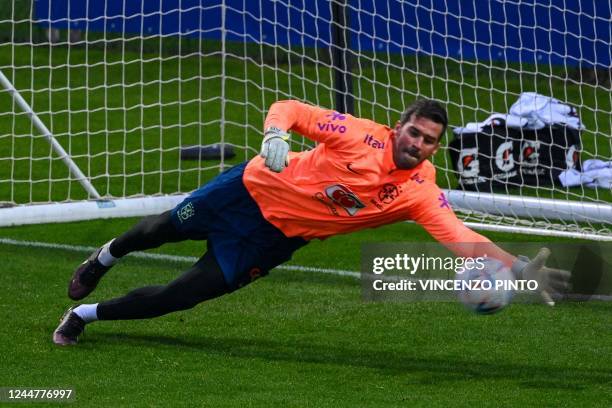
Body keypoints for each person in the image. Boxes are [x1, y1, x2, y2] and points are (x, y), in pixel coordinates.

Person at [53, 99, 569, 345]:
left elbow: (462, 240)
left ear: (436, 147)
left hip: (272, 241)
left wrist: (518, 268)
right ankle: (102, 258)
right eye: (413, 132)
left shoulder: (420, 192)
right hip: (246, 190)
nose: (417, 144)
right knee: (155, 230)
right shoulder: (359, 134)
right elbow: (290, 109)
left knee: (184, 294)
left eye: (429, 140)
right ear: (398, 128)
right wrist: (274, 135)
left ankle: (86, 316)